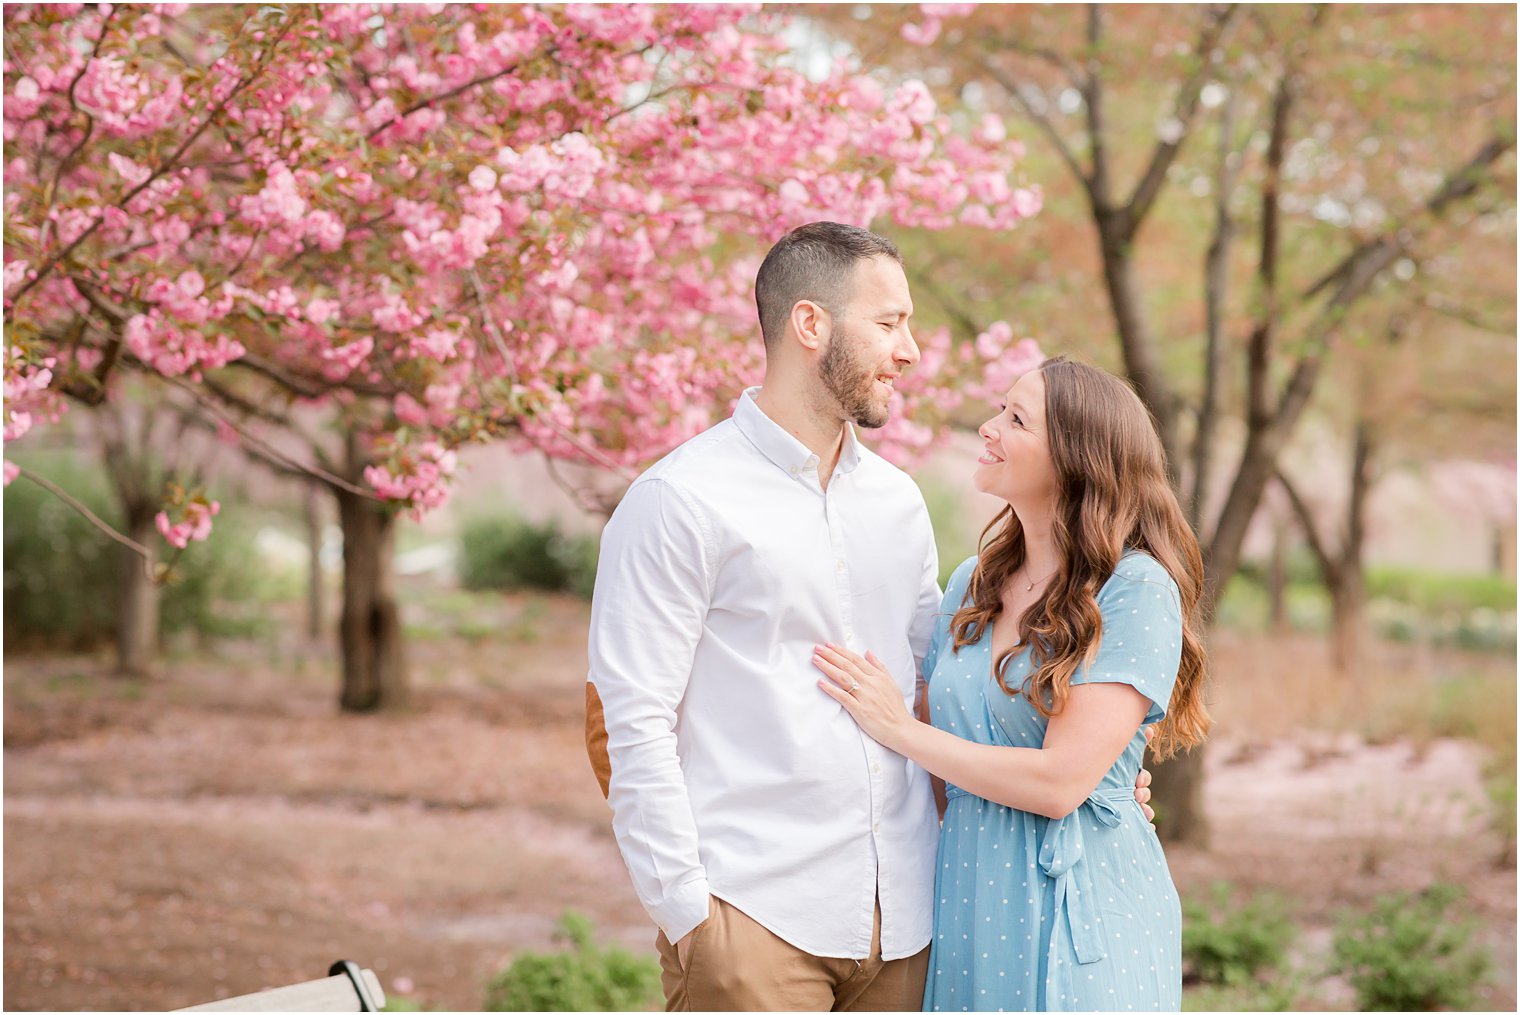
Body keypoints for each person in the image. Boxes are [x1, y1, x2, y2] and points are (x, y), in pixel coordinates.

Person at [584, 223, 1152, 1012]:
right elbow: (625, 720)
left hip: (909, 928)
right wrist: (689, 911)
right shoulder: (680, 501)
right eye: (889, 323)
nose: (911, 349)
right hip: (754, 918)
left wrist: (1095, 774)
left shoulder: (897, 503)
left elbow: (933, 692)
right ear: (811, 325)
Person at [812, 355, 1209, 1012]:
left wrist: (899, 730)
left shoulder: (1134, 589)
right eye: (1000, 409)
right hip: (969, 893)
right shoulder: (972, 581)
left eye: (1016, 419)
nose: (989, 428)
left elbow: (1058, 784)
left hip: (1086, 906)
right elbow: (941, 770)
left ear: (1076, 461)